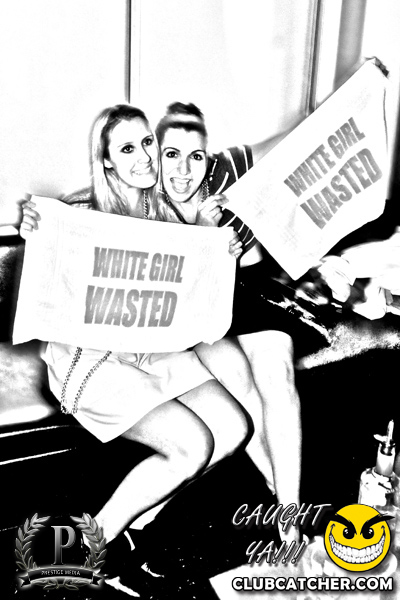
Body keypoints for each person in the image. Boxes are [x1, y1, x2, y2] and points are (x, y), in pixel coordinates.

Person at [20, 104, 250, 583]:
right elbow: (49, 249)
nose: (144, 157)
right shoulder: (83, 213)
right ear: (106, 161)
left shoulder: (161, 209)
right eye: (127, 149)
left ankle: (138, 525)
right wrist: (35, 229)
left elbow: (191, 292)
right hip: (91, 361)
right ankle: (91, 547)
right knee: (192, 445)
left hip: (150, 350)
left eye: (147, 142)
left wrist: (216, 245)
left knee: (232, 427)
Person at [155, 102, 330, 541]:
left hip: (244, 292)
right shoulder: (144, 198)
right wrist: (203, 233)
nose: (183, 170)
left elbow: (294, 140)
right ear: (155, 155)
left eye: (195, 156)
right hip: (190, 310)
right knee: (239, 381)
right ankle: (283, 500)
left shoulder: (226, 170)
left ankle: (289, 518)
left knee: (278, 372)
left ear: (208, 156)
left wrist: (357, 90)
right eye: (171, 154)